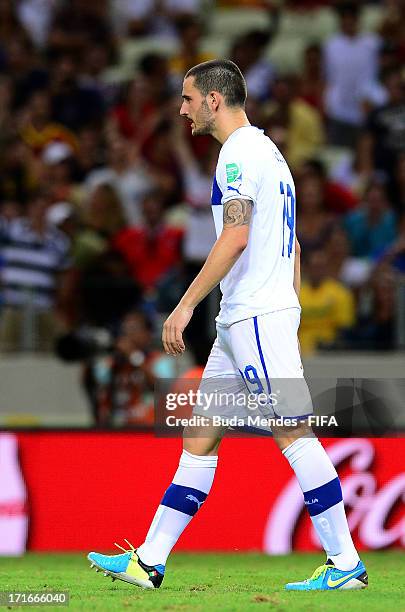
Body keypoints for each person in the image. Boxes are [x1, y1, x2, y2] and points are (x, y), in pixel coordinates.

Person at [88, 60, 367, 591]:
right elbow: (294, 245)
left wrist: (185, 305)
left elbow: (235, 237)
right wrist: (285, 303)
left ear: (214, 100)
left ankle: (345, 562)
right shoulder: (269, 153)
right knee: (199, 437)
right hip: (246, 318)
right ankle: (150, 560)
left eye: (189, 99)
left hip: (254, 316)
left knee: (294, 433)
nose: (182, 108)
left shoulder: (237, 156)